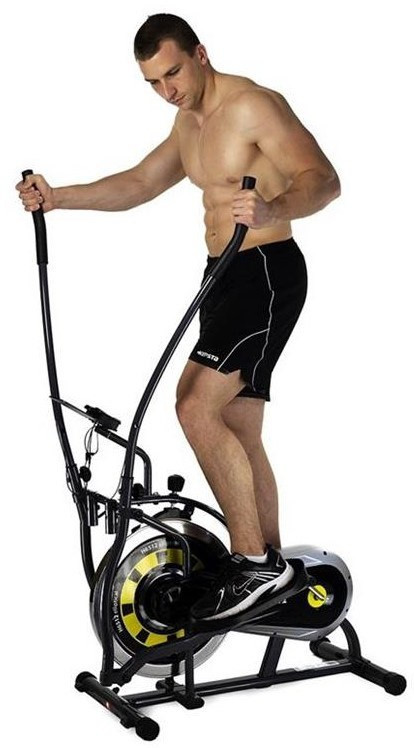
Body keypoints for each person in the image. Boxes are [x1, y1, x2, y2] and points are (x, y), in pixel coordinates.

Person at [16, 13, 340, 623]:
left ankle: (254, 565)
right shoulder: (188, 122)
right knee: (237, 427)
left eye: (173, 73)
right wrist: (59, 198)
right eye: (154, 83)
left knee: (194, 406)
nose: (167, 90)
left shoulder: (253, 106)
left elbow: (324, 181)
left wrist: (273, 207)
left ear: (200, 54)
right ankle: (277, 584)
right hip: (223, 276)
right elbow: (142, 181)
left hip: (265, 272)